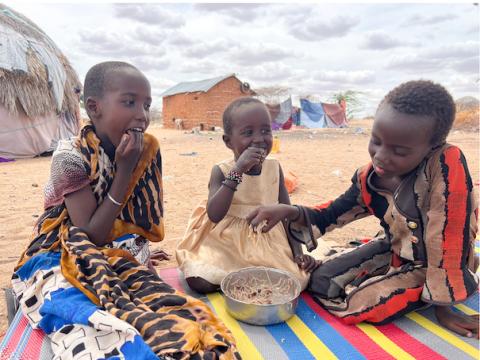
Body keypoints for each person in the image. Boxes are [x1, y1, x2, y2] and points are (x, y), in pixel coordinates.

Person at [12, 61, 239, 359]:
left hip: (114, 241)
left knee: (166, 308)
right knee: (80, 307)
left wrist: (137, 251)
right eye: (129, 102)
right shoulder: (69, 157)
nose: (141, 115)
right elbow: (90, 235)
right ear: (95, 108)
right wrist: (124, 171)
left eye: (146, 105)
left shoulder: (145, 149)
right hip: (65, 243)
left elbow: (140, 221)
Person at [247, 80, 479, 338]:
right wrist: (289, 211)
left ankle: (455, 278)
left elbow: (448, 235)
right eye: (376, 141)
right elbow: (331, 214)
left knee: (364, 305)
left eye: (399, 150)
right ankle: (393, 273)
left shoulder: (445, 166)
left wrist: (445, 307)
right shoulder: (369, 178)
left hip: (439, 259)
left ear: (431, 147)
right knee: (320, 281)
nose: (380, 155)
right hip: (394, 247)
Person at [176, 97, 315, 294]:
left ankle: (241, 280)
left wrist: (298, 252)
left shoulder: (274, 168)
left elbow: (287, 215)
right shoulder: (222, 170)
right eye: (248, 133)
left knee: (296, 279)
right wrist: (238, 170)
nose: (259, 139)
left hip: (266, 240)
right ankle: (232, 278)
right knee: (199, 281)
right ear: (228, 141)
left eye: (266, 130)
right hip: (227, 242)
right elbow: (215, 214)